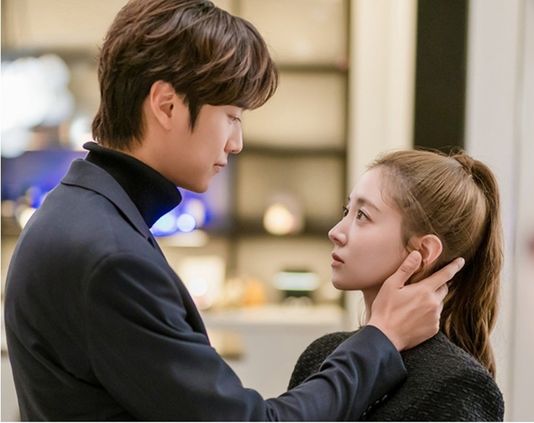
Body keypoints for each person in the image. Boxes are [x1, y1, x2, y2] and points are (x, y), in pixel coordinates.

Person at [3, 1, 465, 421]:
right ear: (166, 105)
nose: (236, 142)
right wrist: (381, 339)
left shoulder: (79, 215)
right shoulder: (109, 258)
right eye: (232, 117)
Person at [289, 149, 505, 421]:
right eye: (347, 211)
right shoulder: (320, 355)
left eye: (362, 215)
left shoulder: (458, 384)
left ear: (423, 252)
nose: (336, 232)